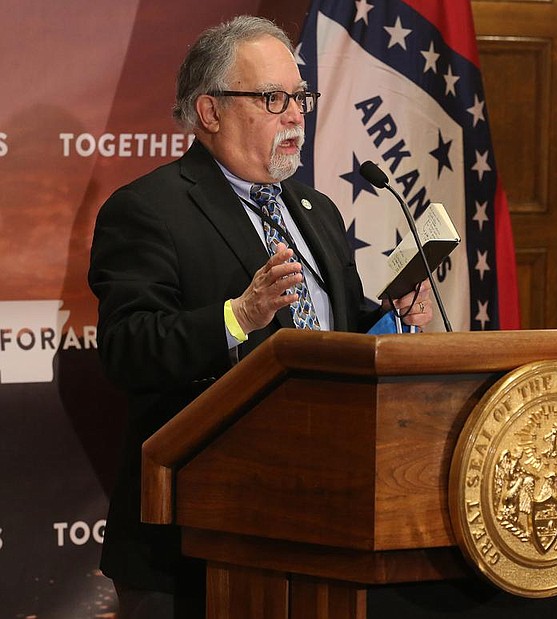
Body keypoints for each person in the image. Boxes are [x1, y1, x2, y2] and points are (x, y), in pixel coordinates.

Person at [88, 15, 433, 619]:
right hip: (197, 540)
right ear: (210, 111)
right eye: (273, 98)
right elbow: (128, 348)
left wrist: (394, 317)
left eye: (299, 96)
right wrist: (237, 316)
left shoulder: (315, 209)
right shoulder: (148, 209)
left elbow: (337, 335)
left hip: (321, 527)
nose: (296, 114)